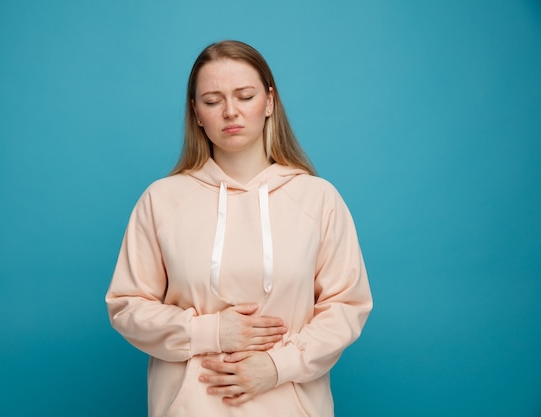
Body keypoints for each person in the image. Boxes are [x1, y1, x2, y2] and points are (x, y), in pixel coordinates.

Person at [106, 40, 372, 417]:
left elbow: (346, 306)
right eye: (212, 101)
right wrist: (210, 332)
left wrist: (278, 366)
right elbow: (127, 306)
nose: (230, 112)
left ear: (269, 102)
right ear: (196, 112)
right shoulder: (161, 200)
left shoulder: (318, 198)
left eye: (244, 96)